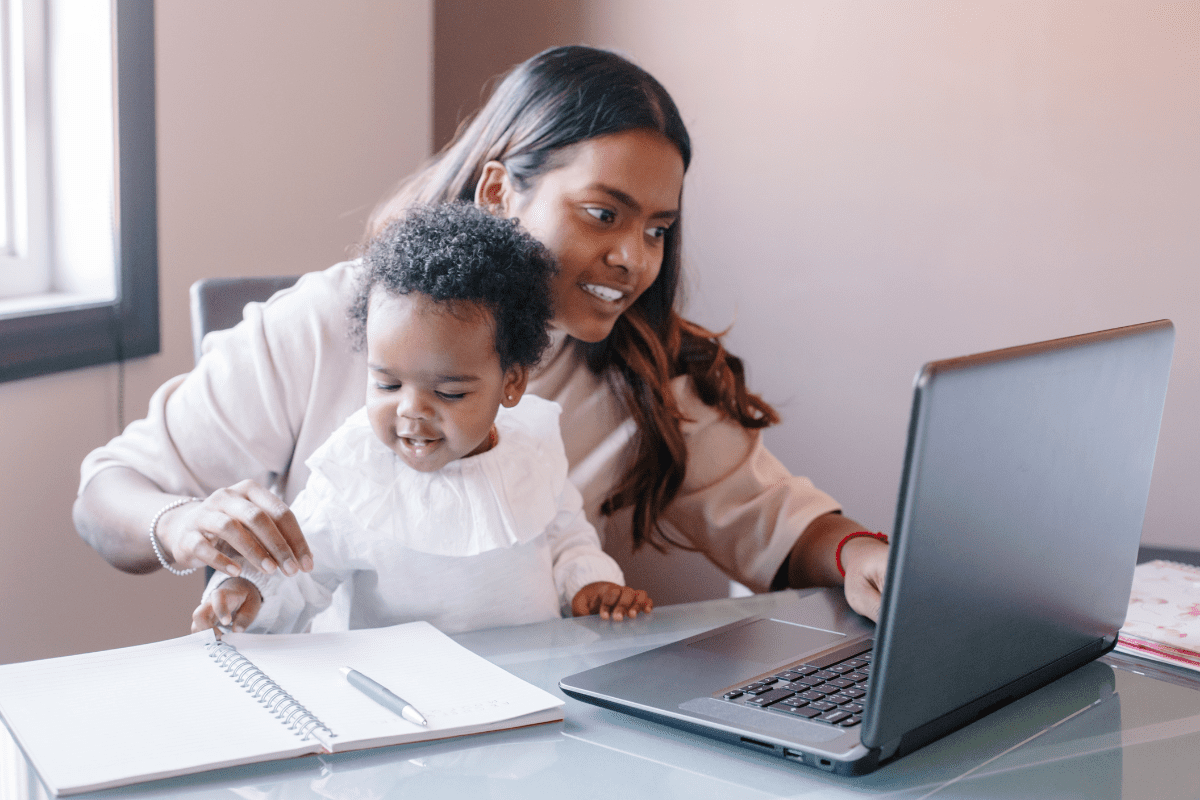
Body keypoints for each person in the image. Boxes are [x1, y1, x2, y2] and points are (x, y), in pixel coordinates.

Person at [74, 45, 889, 622]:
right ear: (500, 190)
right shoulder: (325, 322)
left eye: (657, 229)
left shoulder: (638, 370)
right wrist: (178, 526)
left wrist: (858, 556)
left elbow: (777, 522)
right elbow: (106, 495)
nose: (633, 259)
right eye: (603, 214)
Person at [191, 203, 651, 635]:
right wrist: (247, 594)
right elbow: (299, 576)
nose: (411, 410)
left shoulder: (532, 445)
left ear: (511, 383)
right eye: (387, 385)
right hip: (397, 697)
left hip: (528, 686)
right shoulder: (355, 475)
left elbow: (566, 535)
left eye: (449, 392)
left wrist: (590, 584)